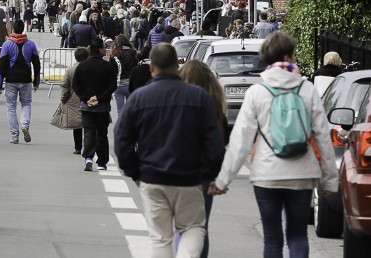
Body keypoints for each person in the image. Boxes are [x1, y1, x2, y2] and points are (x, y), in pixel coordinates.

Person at [209, 32, 338, 258]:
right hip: (302, 173)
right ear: (289, 56)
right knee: (297, 236)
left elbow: (240, 140)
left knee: (272, 240)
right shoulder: (307, 90)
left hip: (266, 174)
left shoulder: (257, 92)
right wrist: (329, 181)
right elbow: (323, 137)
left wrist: (223, 180)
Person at [114, 43, 225, 258]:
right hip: (190, 177)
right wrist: (209, 173)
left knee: (160, 237)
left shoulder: (139, 98)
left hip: (152, 176)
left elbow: (122, 139)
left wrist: (134, 172)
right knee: (193, 228)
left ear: (152, 68)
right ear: (177, 65)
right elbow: (215, 142)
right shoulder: (198, 97)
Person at [178, 60, 229, 258]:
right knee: (201, 227)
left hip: (178, 172)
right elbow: (220, 144)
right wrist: (219, 177)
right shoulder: (215, 106)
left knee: (180, 226)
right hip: (204, 175)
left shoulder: (178, 101)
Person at [72, 38, 118, 172]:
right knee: (102, 134)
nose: (105, 49)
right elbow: (112, 85)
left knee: (89, 132)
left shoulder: (82, 65)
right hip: (102, 106)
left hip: (86, 106)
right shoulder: (107, 66)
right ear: (99, 49)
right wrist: (100, 98)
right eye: (104, 47)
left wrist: (86, 98)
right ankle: (102, 162)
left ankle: (88, 158)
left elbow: (76, 85)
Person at [0, 19, 41, 144]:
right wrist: (36, 82)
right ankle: (25, 125)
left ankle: (14, 136)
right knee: (26, 104)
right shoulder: (31, 44)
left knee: (11, 107)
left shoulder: (7, 45)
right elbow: (37, 64)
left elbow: (2, 66)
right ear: (23, 30)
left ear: (13, 30)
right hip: (26, 79)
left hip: (11, 80)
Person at [57, 47, 89, 154]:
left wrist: (63, 98)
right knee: (89, 123)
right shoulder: (90, 67)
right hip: (89, 97)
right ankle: (89, 145)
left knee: (77, 124)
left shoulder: (70, 69)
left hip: (74, 98)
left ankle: (78, 147)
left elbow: (65, 86)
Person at [109, 34, 138, 118]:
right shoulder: (133, 53)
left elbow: (112, 71)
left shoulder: (114, 55)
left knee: (120, 111)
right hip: (130, 84)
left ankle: (122, 128)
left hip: (118, 84)